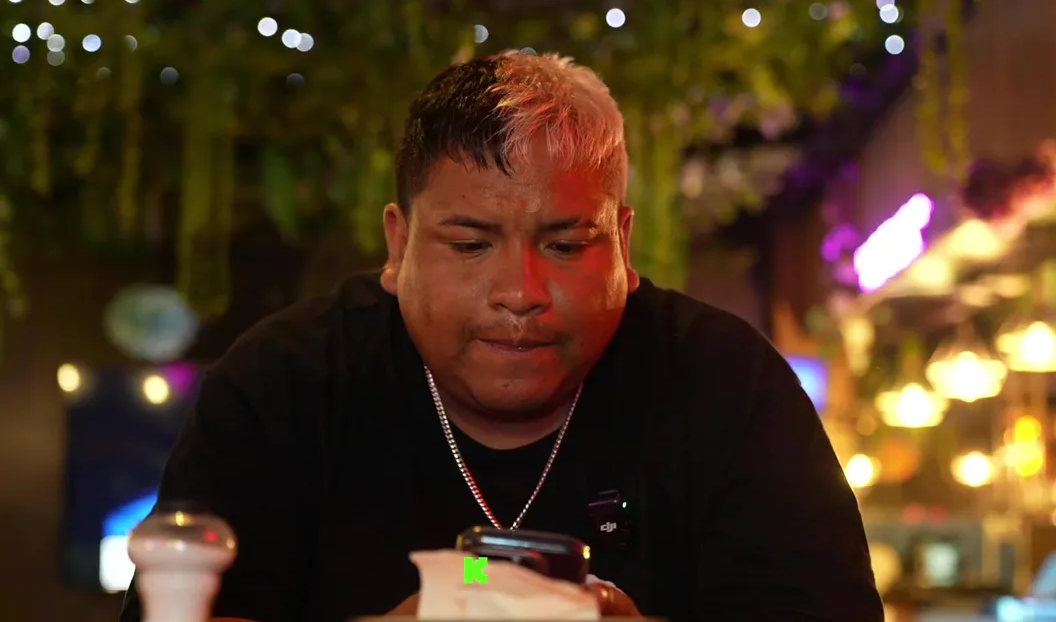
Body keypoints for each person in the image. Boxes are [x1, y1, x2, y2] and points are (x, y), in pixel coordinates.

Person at [119, 51, 882, 622]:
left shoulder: (727, 385)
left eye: (567, 244)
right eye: (470, 243)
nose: (520, 292)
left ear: (623, 244)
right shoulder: (285, 382)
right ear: (398, 246)